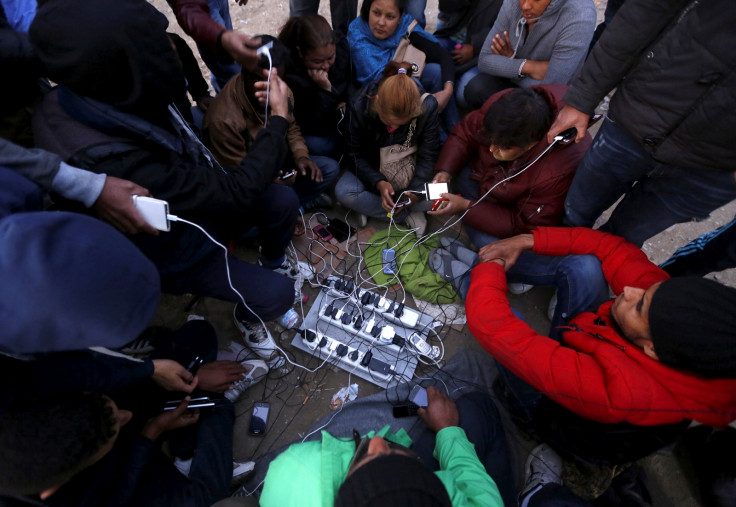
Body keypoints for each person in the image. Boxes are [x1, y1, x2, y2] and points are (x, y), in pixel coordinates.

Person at [30, 0, 297, 367]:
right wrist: (278, 121)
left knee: (283, 201)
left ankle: (272, 260)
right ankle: (247, 315)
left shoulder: (113, 88)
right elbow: (233, 194)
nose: (168, 47)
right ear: (124, 62)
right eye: (154, 42)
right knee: (278, 295)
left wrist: (220, 39)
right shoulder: (111, 156)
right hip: (174, 248)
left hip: (196, 199)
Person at [465, 226, 736, 464]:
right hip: (599, 342)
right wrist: (525, 240)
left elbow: (495, 328)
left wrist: (489, 268)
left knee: (495, 315)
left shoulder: (625, 393)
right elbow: (610, 247)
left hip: (562, 420)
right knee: (586, 265)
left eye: (639, 306)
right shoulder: (673, 317)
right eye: (647, 292)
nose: (629, 291)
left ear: (653, 349)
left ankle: (526, 415)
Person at [548, 0, 736, 247]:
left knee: (621, 241)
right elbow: (645, 11)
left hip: (714, 168)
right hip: (640, 113)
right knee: (573, 212)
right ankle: (551, 259)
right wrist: (583, 97)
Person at [259, 386, 507, 506]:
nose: (377, 440)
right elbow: (482, 495)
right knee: (474, 409)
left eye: (366, 461)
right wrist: (447, 430)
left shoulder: (292, 470)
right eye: (397, 456)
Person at [429, 85, 590, 247]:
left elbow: (522, 225)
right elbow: (466, 132)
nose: (492, 149)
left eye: (503, 147)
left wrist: (465, 206)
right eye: (491, 140)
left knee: (487, 243)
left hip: (513, 207)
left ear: (529, 145)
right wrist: (445, 170)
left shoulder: (553, 173)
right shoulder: (504, 109)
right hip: (489, 177)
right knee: (454, 173)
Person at [203, 35, 339, 213]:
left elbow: (292, 128)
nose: (268, 89)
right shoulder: (223, 121)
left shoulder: (281, 90)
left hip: (277, 165)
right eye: (260, 79)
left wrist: (301, 155)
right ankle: (291, 206)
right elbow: (239, 180)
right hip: (251, 178)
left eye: (275, 80)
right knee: (259, 213)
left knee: (329, 169)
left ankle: (293, 205)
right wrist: (270, 181)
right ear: (244, 71)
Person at [335, 62, 441, 233]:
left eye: (402, 124)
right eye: (389, 122)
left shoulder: (426, 106)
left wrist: (414, 194)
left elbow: (428, 155)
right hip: (373, 169)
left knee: (442, 191)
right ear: (377, 102)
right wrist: (378, 182)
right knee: (344, 192)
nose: (394, 128)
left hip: (410, 172)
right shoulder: (360, 105)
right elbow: (354, 154)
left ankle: (375, 209)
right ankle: (402, 215)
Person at [348, 0, 460, 131]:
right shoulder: (358, 34)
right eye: (376, 13)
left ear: (400, 18)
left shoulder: (404, 27)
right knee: (412, 85)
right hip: (377, 98)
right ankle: (437, 137)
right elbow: (381, 82)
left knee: (435, 72)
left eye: (390, 17)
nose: (381, 22)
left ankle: (455, 130)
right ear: (368, 11)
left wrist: (447, 91)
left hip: (406, 79)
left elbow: (441, 54)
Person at [464, 0, 596, 110]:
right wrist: (529, 67)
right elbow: (485, 60)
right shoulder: (514, 2)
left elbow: (550, 89)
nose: (525, 5)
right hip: (524, 81)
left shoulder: (580, 15)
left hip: (550, 99)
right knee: (472, 88)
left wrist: (508, 65)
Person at [278, 15, 351, 159]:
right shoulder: (290, 74)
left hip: (339, 120)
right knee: (322, 145)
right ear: (300, 52)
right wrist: (325, 90)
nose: (325, 66)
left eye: (330, 57)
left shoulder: (341, 49)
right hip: (314, 129)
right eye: (317, 61)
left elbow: (348, 87)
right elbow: (313, 124)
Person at [166, 0, 256, 91]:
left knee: (225, 59)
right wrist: (219, 36)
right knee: (232, 75)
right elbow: (187, 8)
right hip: (199, 10)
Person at [433, 0, 503, 109]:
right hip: (452, 37)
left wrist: (475, 47)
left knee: (462, 94)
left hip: (483, 51)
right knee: (429, 64)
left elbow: (504, 28)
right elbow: (446, 7)